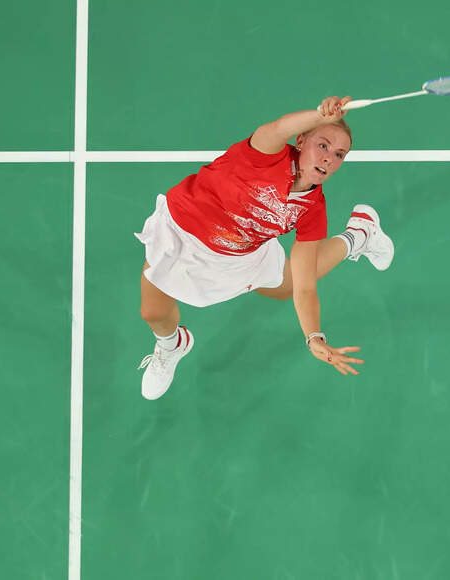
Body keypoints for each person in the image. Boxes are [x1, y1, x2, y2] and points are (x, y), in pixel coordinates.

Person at [134, 96, 394, 400]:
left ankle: (360, 234)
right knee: (152, 312)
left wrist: (314, 337)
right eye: (322, 145)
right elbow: (281, 127)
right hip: (181, 230)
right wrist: (320, 115)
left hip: (237, 253)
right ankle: (172, 345)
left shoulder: (312, 209)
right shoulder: (263, 154)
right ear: (301, 141)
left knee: (288, 286)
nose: (328, 159)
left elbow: (306, 288)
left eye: (339, 154)